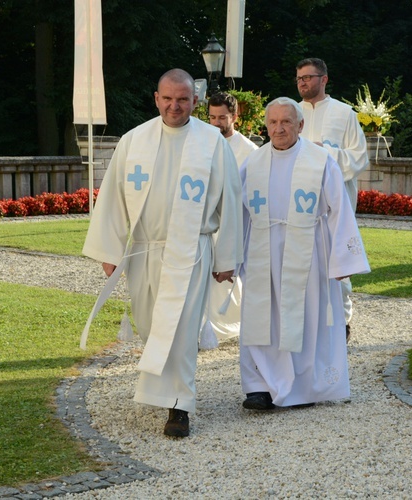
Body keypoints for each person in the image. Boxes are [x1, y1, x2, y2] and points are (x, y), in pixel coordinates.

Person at [81, 69, 244, 437]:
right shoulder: (134, 140)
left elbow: (231, 202)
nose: (174, 106)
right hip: (145, 250)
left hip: (192, 252)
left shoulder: (211, 143)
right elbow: (113, 198)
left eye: (183, 99)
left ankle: (179, 406)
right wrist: (110, 249)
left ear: (195, 102)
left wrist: (226, 258)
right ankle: (162, 390)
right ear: (156, 98)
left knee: (183, 330)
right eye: (168, 98)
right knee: (150, 323)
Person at [238, 97, 370, 410]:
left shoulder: (321, 160)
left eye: (286, 122)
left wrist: (343, 259)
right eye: (273, 122)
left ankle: (301, 386)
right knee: (262, 316)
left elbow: (339, 210)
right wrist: (231, 257)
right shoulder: (251, 164)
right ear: (266, 126)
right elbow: (238, 215)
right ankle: (259, 387)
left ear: (300, 125)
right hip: (262, 252)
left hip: (308, 251)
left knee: (304, 317)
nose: (279, 128)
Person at [296, 57, 369, 342]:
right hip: (299, 202)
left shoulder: (344, 113)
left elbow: (359, 157)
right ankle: (306, 320)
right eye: (299, 78)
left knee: (338, 258)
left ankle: (342, 320)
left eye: (309, 77)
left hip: (334, 202)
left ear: (324, 79)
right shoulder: (290, 111)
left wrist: (322, 152)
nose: (303, 82)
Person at [200, 92, 258, 342]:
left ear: (234, 116)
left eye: (222, 117)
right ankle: (202, 325)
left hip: (234, 222)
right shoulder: (200, 143)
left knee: (226, 275)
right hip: (205, 223)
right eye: (211, 117)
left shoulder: (249, 150)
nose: (216, 123)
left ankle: (226, 322)